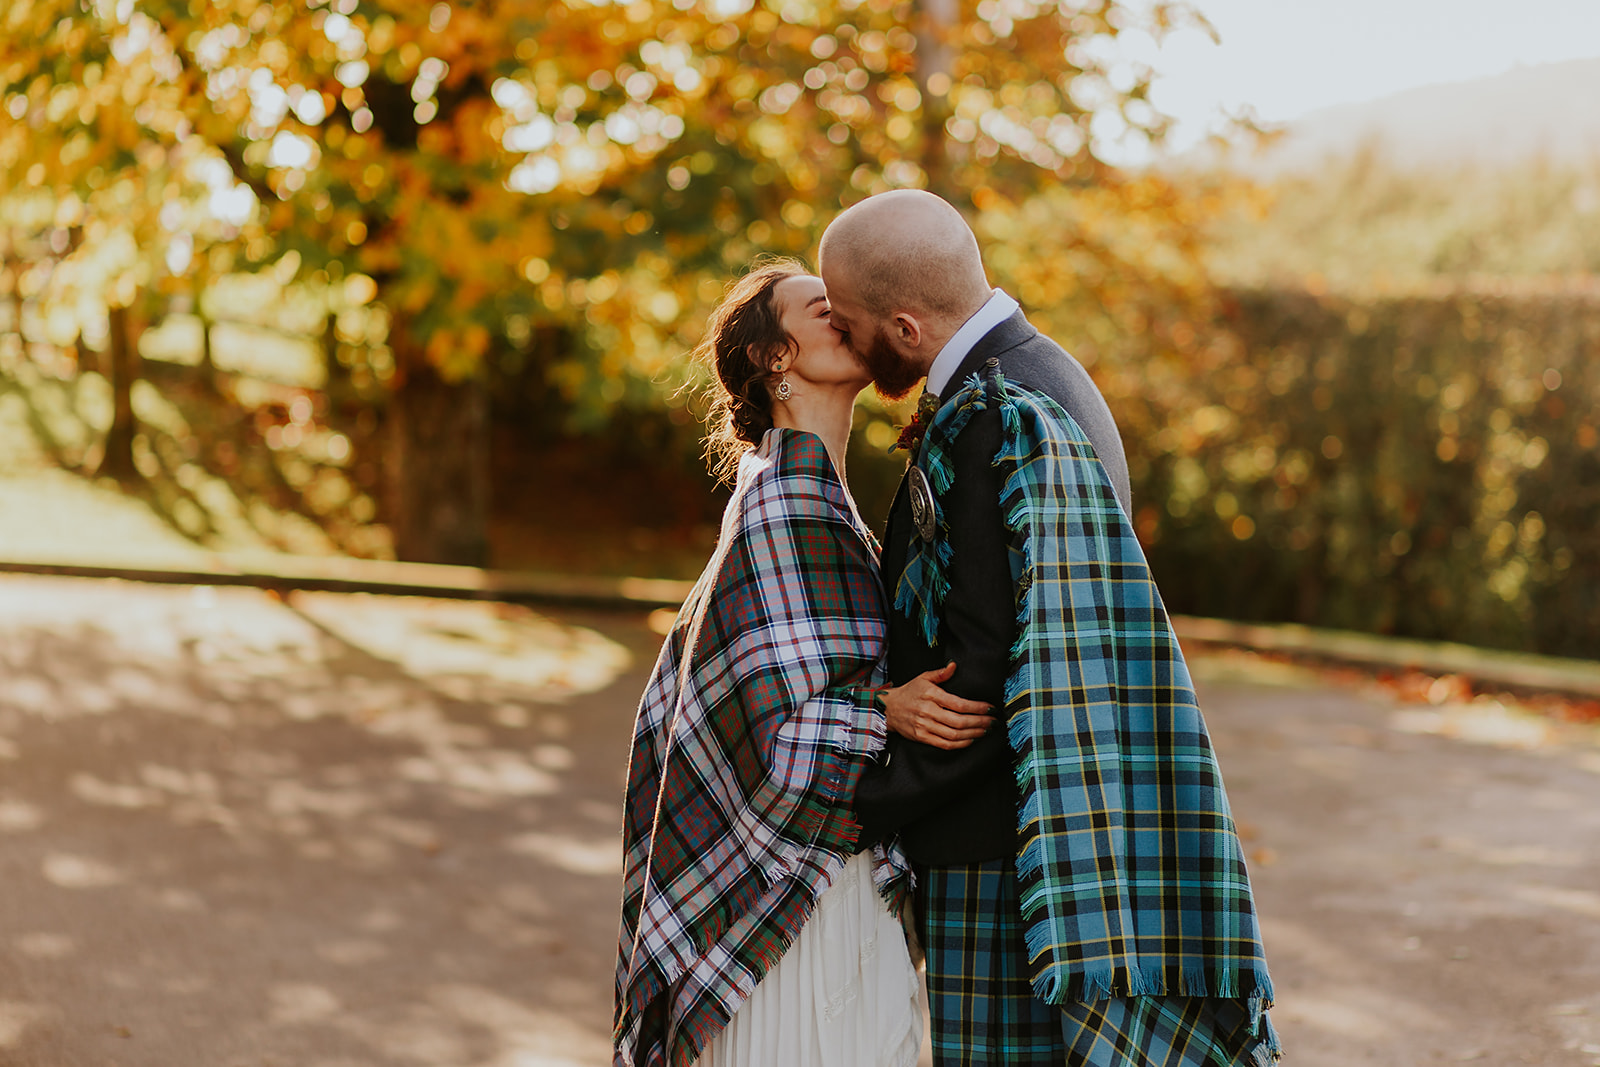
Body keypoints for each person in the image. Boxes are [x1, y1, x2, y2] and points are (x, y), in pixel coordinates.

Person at [820, 190, 1282, 1067]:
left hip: (1000, 846)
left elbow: (991, 665)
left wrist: (856, 800)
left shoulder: (1000, 415)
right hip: (1020, 825)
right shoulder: (1043, 373)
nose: (843, 340)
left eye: (848, 323)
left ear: (908, 328)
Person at [613, 259, 995, 1067]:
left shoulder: (831, 506)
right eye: (824, 308)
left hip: (837, 876)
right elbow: (769, 736)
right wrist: (882, 711)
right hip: (795, 900)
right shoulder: (778, 505)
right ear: (773, 357)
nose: (848, 317)